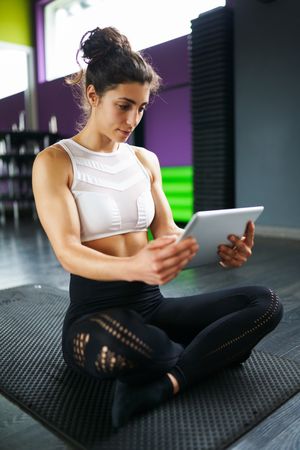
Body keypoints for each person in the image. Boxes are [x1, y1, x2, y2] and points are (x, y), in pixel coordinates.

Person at [32, 26, 283, 429]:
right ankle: (201, 356)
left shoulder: (145, 160)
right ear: (94, 96)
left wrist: (217, 249)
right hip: (96, 316)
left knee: (265, 304)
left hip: (153, 306)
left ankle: (168, 382)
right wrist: (132, 267)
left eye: (142, 107)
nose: (133, 119)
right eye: (124, 105)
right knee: (145, 348)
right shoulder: (54, 162)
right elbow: (67, 250)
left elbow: (168, 231)